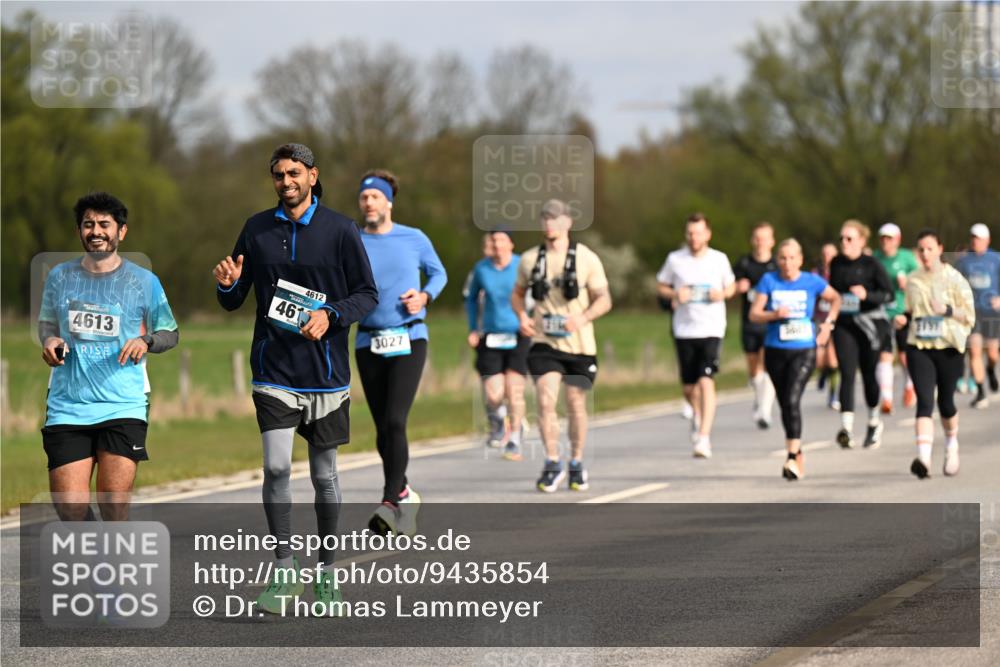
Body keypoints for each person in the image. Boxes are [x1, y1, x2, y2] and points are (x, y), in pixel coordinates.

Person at [214, 143, 378, 613]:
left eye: (293, 173)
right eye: (278, 175)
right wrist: (226, 285)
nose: (285, 182)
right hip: (274, 370)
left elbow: (367, 294)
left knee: (324, 474)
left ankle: (327, 573)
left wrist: (330, 314)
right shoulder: (256, 229)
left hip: (326, 375)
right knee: (278, 468)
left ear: (312, 175)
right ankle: (285, 570)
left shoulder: (341, 230)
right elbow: (234, 296)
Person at [39, 192, 179, 523]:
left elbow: (170, 333)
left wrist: (146, 341)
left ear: (121, 232)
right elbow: (47, 323)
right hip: (68, 406)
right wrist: (50, 340)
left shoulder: (144, 281)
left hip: (123, 404)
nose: (96, 231)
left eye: (104, 224)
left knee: (114, 506)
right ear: (79, 231)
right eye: (88, 224)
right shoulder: (59, 277)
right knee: (69, 508)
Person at [355, 169, 447, 532]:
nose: (368, 203)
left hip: (409, 337)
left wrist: (425, 296)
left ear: (388, 202)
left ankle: (391, 501)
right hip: (368, 339)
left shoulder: (414, 238)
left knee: (396, 420)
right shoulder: (353, 240)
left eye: (374, 196)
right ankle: (405, 489)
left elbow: (438, 274)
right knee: (382, 428)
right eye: (363, 198)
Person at [512, 199, 612, 492]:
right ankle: (552, 461)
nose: (549, 224)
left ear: (568, 222)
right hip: (544, 343)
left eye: (555, 219)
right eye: (544, 218)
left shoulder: (586, 258)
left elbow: (604, 299)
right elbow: (517, 295)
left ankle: (577, 462)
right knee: (545, 399)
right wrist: (521, 315)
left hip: (580, 345)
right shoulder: (530, 259)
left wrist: (582, 317)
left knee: (575, 404)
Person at [750, 239, 840, 480]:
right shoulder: (769, 281)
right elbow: (754, 314)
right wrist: (774, 314)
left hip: (804, 349)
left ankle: (790, 457)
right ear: (777, 260)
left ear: (800, 260)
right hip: (775, 350)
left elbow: (836, 298)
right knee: (785, 404)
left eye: (792, 258)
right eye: (782, 258)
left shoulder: (812, 281)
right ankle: (797, 451)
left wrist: (827, 325)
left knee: (791, 399)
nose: (787, 263)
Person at [894, 230, 975, 478]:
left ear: (940, 249)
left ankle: (951, 446)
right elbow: (910, 310)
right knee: (925, 401)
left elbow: (969, 316)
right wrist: (902, 319)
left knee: (946, 403)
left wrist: (948, 310)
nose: (925, 254)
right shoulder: (913, 279)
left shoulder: (955, 279)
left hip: (949, 346)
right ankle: (924, 459)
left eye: (930, 248)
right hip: (919, 346)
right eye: (921, 249)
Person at [656, 213, 737, 458]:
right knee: (689, 389)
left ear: (707, 234)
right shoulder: (675, 259)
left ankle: (703, 438)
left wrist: (721, 294)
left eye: (699, 232)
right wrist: (674, 295)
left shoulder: (719, 259)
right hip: (684, 329)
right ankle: (698, 415)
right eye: (690, 233)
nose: (694, 237)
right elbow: (661, 285)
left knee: (706, 380)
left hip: (711, 328)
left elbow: (731, 286)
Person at [828, 220, 894, 449]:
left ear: (861, 241)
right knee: (846, 373)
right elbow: (832, 292)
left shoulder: (872, 264)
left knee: (868, 375)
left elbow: (889, 295)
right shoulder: (835, 263)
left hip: (869, 325)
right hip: (845, 324)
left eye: (849, 238)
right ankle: (846, 428)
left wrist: (867, 295)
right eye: (841, 238)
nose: (843, 243)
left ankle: (874, 422)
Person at [465, 230, 530, 460]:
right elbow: (471, 299)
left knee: (514, 391)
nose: (498, 244)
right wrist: (474, 328)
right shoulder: (481, 269)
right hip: (491, 336)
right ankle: (500, 420)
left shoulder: (523, 264)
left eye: (502, 240)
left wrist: (531, 320)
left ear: (511, 243)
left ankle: (514, 438)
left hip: (518, 334)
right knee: (493, 395)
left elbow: (538, 295)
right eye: (494, 240)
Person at [734, 222, 778, 429]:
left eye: (764, 238)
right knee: (754, 369)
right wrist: (737, 287)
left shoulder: (777, 265)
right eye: (757, 238)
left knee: (767, 363)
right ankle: (760, 399)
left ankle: (764, 411)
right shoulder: (743, 263)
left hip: (770, 321)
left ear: (772, 241)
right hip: (749, 321)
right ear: (753, 241)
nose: (760, 242)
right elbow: (727, 287)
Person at [873, 223, 920, 414]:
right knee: (884, 354)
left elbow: (920, 280)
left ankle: (910, 385)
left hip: (903, 311)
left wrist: (908, 282)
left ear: (897, 240)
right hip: (882, 312)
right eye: (883, 238)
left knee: (904, 355)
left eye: (889, 238)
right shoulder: (875, 258)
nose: (886, 242)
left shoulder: (907, 258)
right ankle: (887, 398)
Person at [955, 223, 1000, 409]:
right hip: (972, 312)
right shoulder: (963, 262)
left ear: (987, 240)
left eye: (979, 238)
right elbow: (956, 286)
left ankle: (990, 369)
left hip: (992, 312)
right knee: (974, 350)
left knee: (992, 352)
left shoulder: (996, 259)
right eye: (973, 237)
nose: (975, 241)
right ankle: (981, 392)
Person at [813, 242, 840, 409]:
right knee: (818, 358)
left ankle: (833, 395)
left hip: (834, 319)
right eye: (825, 253)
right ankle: (823, 372)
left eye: (830, 254)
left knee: (833, 359)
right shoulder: (816, 274)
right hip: (819, 318)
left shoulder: (840, 273)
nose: (827, 257)